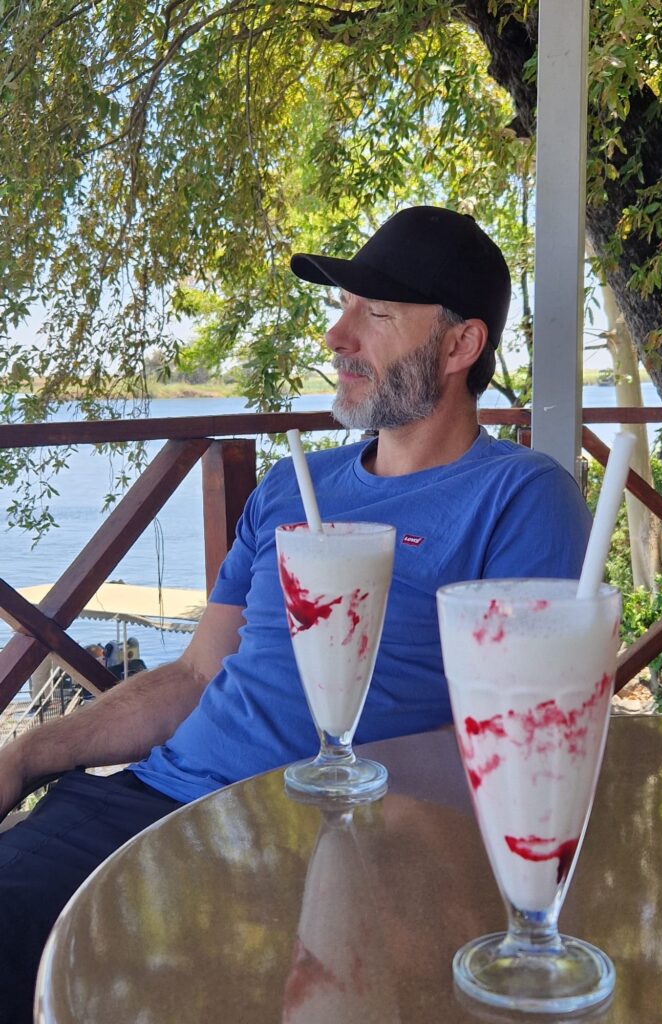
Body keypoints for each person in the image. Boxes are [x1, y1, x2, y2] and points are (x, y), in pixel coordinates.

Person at [0, 205, 592, 1021]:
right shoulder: (291, 486)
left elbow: (517, 744)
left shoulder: (519, 497)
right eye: (342, 308)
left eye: (375, 313)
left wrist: (344, 828)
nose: (336, 337)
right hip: (149, 803)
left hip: (334, 845)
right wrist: (28, 755)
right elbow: (196, 674)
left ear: (461, 346)